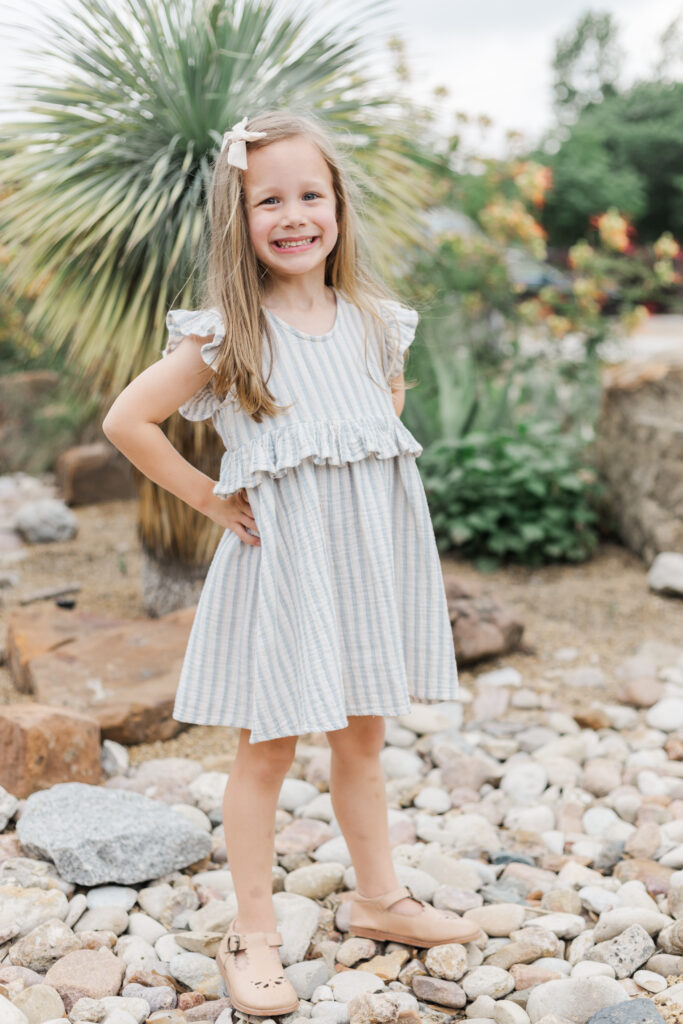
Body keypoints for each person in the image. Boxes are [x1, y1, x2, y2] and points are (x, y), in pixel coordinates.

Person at [102, 110, 481, 1018]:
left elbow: (376, 443)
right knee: (265, 749)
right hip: (283, 573)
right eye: (268, 199)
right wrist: (209, 498)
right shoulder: (228, 332)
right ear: (241, 220)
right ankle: (253, 932)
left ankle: (379, 900)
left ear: (338, 206)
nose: (293, 214)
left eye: (310, 194)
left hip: (359, 572)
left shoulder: (374, 324)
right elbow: (127, 421)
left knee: (363, 739)